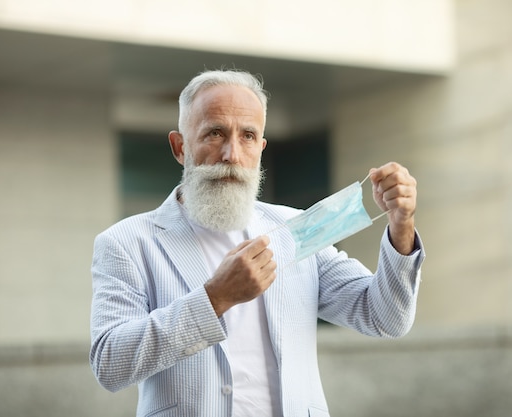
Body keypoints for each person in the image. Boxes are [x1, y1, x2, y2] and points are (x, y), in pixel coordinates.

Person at [89, 69, 425, 417]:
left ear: (261, 148)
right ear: (180, 147)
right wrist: (215, 298)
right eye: (215, 133)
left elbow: (386, 318)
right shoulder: (127, 242)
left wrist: (401, 227)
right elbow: (110, 364)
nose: (232, 154)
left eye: (248, 135)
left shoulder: (295, 228)